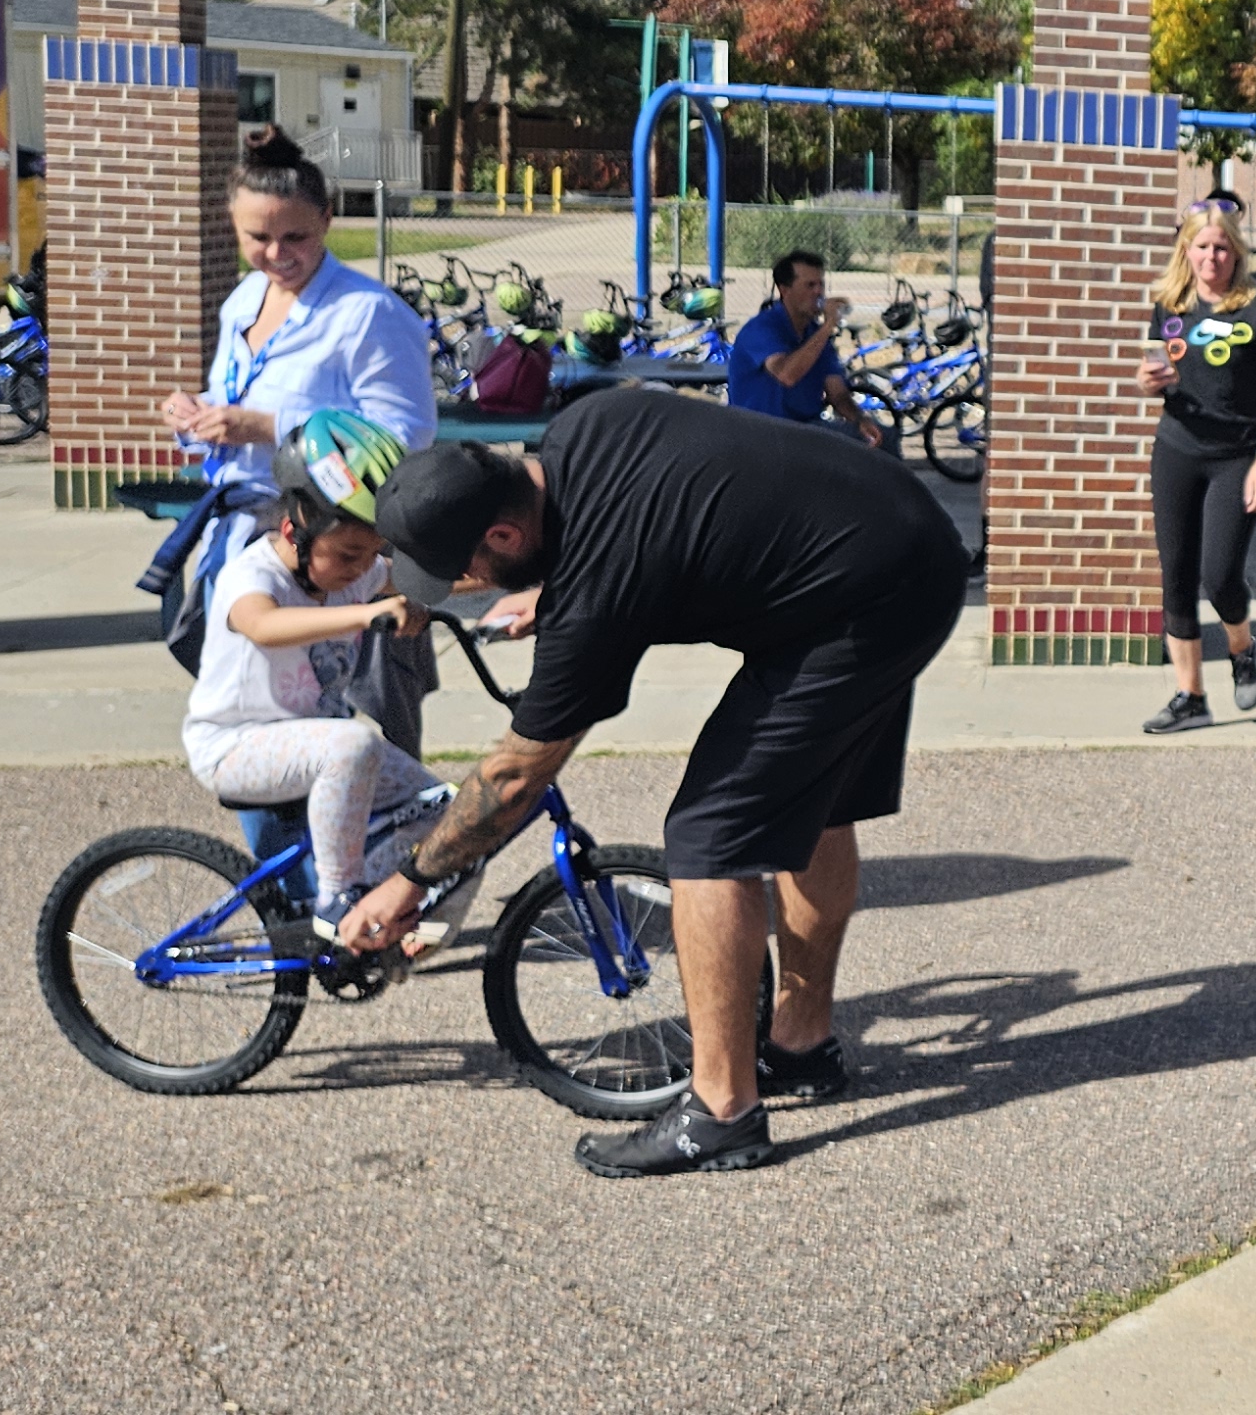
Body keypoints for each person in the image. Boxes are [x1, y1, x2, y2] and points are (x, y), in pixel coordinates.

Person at [345, 387, 971, 1174]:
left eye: (464, 571)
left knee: (708, 837)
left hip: (866, 602)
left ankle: (721, 1113)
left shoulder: (598, 589)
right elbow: (668, 510)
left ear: (504, 532)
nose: (465, 587)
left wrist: (409, 883)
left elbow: (513, 779)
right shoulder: (583, 427)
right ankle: (800, 1047)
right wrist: (555, 588)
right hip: (894, 534)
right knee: (816, 802)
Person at [155, 127, 443, 747]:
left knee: (336, 722)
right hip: (242, 539)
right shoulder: (243, 301)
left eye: (296, 237)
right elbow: (240, 406)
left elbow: (410, 436)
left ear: (329, 221)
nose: (276, 253)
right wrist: (200, 415)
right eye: (257, 237)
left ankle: (357, 842)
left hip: (332, 546)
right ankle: (275, 845)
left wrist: (268, 426)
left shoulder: (369, 313)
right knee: (246, 715)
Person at [183, 412, 473, 950]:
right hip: (232, 747)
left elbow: (442, 581)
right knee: (354, 742)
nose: (363, 567)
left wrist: (533, 584)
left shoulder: (359, 572)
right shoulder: (251, 575)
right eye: (348, 554)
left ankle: (399, 930)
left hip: (318, 745)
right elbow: (263, 625)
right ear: (294, 529)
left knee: (453, 816)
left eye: (371, 553)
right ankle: (336, 901)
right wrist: (364, 615)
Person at [1136, 204, 1256, 733]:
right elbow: (1157, 365)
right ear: (1187, 249)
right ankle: (1190, 696)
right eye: (1202, 246)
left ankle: (1242, 648)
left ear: (1236, 253)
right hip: (1177, 449)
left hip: (1238, 456)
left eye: (1222, 247)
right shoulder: (1169, 303)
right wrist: (1147, 380)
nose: (1212, 256)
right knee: (1177, 578)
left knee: (1219, 574)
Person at [724, 250, 879, 444]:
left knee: (882, 438)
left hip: (804, 428)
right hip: (761, 433)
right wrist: (828, 326)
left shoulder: (816, 336)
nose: (818, 292)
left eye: (821, 284)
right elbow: (787, 374)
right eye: (809, 285)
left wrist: (859, 420)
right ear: (785, 290)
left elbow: (837, 392)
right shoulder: (761, 328)